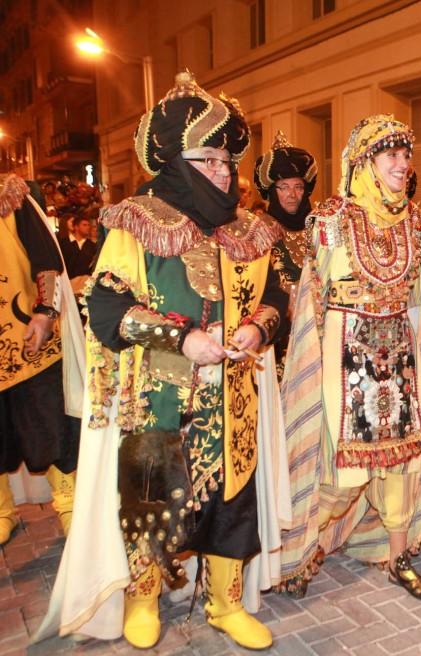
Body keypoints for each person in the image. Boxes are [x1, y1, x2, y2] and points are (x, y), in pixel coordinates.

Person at [38, 72, 287, 650]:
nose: (224, 173)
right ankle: (143, 599)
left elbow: (276, 297)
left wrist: (256, 327)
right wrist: (183, 339)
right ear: (176, 162)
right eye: (210, 161)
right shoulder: (138, 222)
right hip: (158, 397)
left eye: (228, 162)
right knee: (151, 501)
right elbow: (107, 309)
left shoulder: (248, 230)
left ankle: (225, 603)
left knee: (231, 501)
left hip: (232, 397)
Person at [279, 115, 421, 601]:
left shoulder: (416, 223)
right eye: (391, 155)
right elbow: (312, 298)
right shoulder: (332, 220)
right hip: (346, 355)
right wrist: (311, 366)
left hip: (400, 358)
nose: (403, 164)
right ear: (366, 162)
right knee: (342, 466)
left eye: (406, 155)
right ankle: (301, 551)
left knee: (402, 462)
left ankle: (398, 558)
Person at [0, 175, 83, 545]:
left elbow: (46, 260)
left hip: (27, 341)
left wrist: (46, 313)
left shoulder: (10, 198)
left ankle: (68, 504)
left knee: (49, 425)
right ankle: (3, 510)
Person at [253, 131, 318, 372]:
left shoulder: (319, 227)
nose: (292, 195)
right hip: (279, 332)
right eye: (284, 187)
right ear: (272, 190)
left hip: (317, 328)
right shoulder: (259, 230)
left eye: (298, 187)